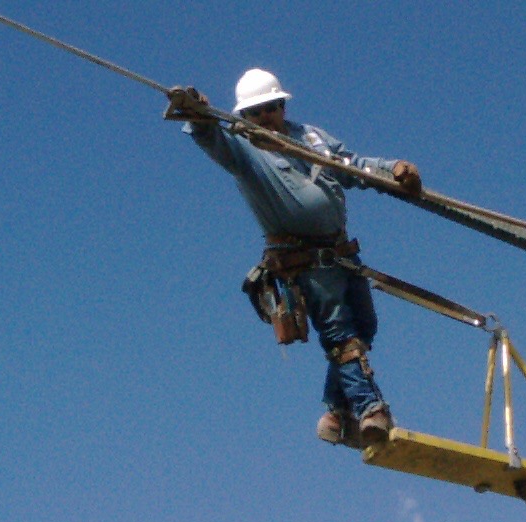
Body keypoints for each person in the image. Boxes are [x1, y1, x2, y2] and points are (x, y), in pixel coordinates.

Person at [175, 68, 421, 447]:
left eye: (270, 108)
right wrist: (197, 115)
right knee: (341, 335)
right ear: (244, 116)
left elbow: (351, 165)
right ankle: (369, 409)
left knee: (365, 327)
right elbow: (212, 138)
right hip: (304, 260)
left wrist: (392, 170)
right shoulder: (245, 150)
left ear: (282, 105)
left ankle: (336, 415)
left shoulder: (310, 137)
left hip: (341, 253)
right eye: (255, 112)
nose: (264, 117)